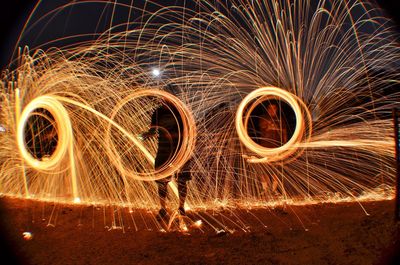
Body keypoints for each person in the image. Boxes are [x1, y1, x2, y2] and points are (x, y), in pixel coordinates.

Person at [140, 100, 191, 220]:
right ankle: (163, 209)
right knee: (161, 181)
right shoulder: (157, 112)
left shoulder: (180, 112)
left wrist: (173, 136)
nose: (165, 102)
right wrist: (145, 135)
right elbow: (153, 131)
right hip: (163, 149)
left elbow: (187, 131)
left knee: (182, 179)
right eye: (163, 101)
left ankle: (181, 208)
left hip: (180, 150)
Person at [258, 103, 287, 196]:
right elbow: (263, 127)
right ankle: (264, 189)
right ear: (267, 109)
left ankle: (274, 190)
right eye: (270, 108)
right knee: (264, 169)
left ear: (277, 110)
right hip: (265, 147)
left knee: (276, 170)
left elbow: (284, 133)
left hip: (277, 147)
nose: (272, 110)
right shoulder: (263, 118)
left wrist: (285, 146)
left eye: (274, 108)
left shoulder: (281, 120)